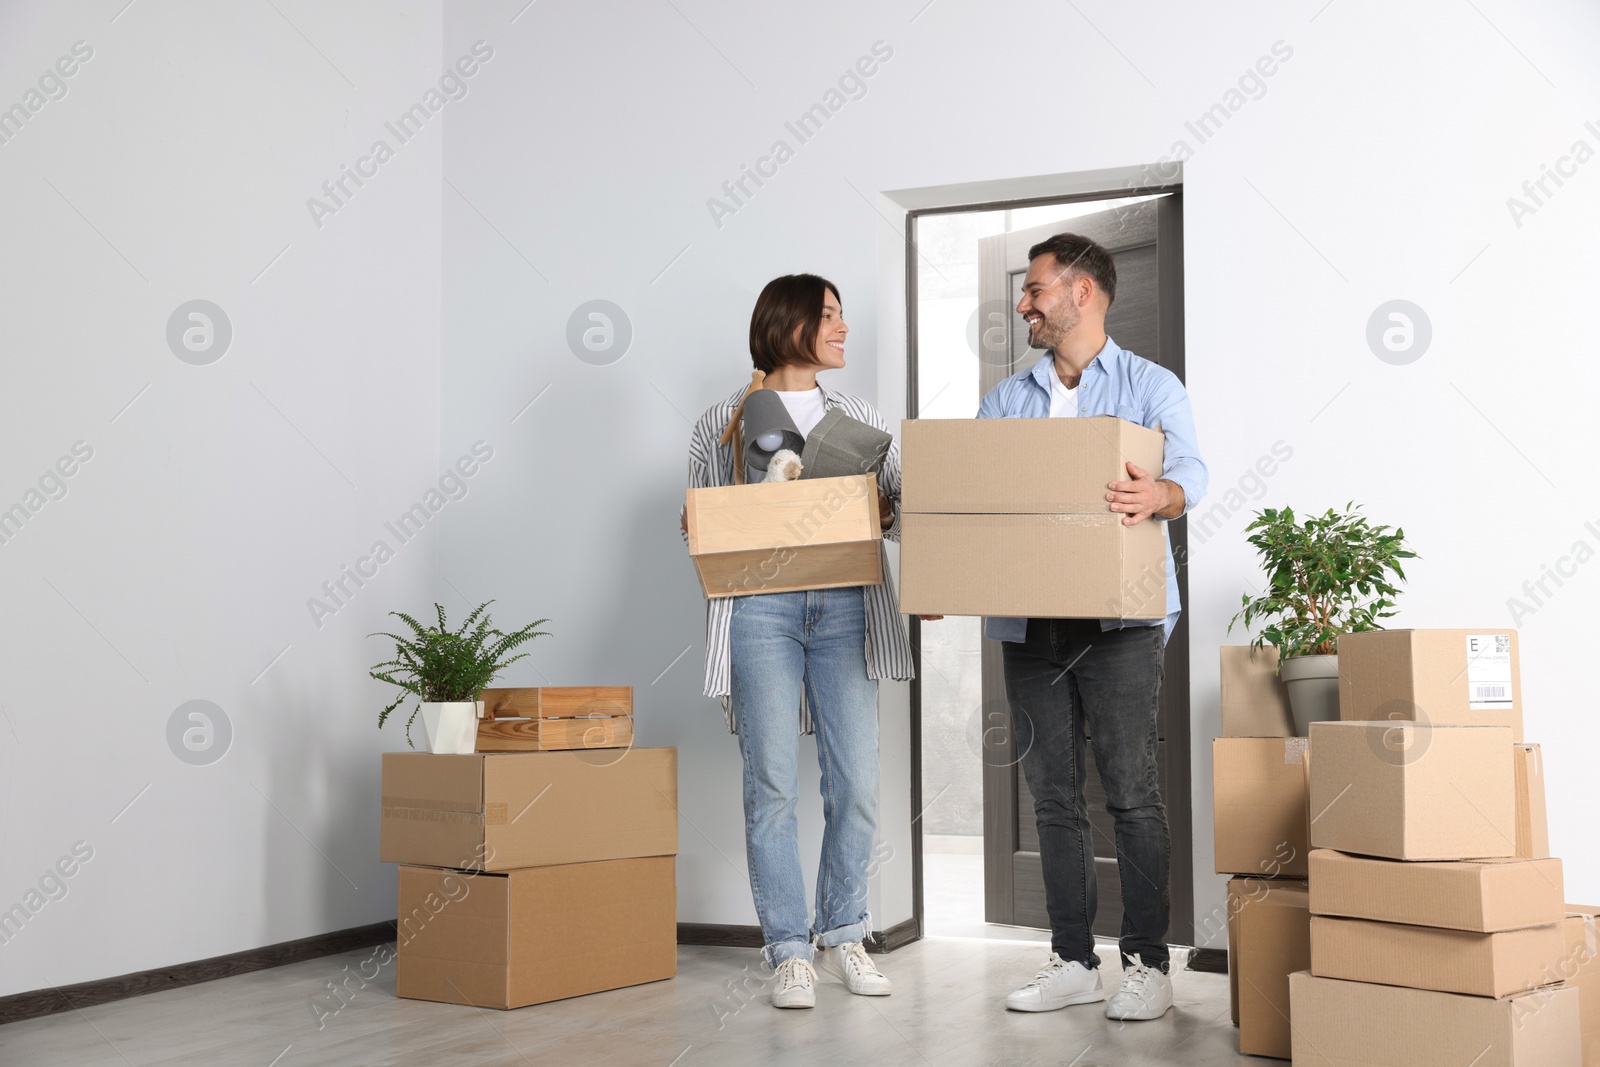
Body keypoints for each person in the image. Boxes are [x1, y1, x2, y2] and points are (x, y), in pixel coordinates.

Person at [978, 233, 1207, 1021]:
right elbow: (978, 499)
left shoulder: (1149, 384)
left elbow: (1195, 474)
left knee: (1133, 793)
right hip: (1031, 621)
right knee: (1051, 796)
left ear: (1080, 291)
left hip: (1122, 619)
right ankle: (1072, 959)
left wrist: (1162, 496)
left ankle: (1146, 962)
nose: (1024, 304)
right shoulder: (1009, 398)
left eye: (1034, 289)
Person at [684, 274, 924, 1009]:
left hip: (845, 603)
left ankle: (845, 931)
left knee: (854, 779)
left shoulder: (859, 416)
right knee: (773, 784)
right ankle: (789, 948)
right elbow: (693, 522)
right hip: (760, 608)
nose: (843, 329)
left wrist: (875, 509)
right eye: (830, 316)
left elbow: (905, 513)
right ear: (789, 324)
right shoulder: (720, 421)